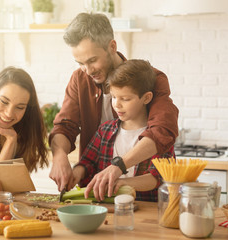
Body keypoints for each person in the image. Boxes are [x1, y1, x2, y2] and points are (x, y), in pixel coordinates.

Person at [48, 12, 179, 201]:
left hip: (141, 199)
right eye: (80, 63)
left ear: (112, 46)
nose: (87, 70)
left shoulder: (151, 79)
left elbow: (162, 130)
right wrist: (59, 156)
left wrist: (118, 168)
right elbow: (65, 126)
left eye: (92, 60)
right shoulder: (79, 79)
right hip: (95, 195)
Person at [72, 60, 175, 202]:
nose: (117, 104)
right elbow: (87, 162)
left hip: (146, 209)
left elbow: (156, 178)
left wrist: (123, 183)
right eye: (113, 97)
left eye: (125, 99)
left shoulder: (159, 137)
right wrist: (76, 173)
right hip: (108, 209)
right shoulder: (104, 131)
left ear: (146, 98)